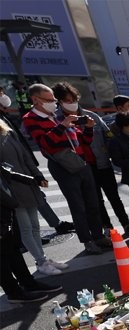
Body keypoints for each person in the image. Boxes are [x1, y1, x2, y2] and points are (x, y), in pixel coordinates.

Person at [22, 83, 109, 255]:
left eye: (54, 100)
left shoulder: (57, 115)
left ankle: (98, 236)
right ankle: (87, 241)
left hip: (80, 161)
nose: (53, 103)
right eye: (49, 100)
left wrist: (89, 129)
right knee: (78, 206)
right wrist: (62, 125)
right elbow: (46, 143)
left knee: (93, 203)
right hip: (62, 165)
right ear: (35, 100)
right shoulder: (30, 118)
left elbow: (82, 140)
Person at [53, 82, 129, 237]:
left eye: (74, 99)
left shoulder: (91, 116)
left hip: (102, 164)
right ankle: (107, 229)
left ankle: (127, 224)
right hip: (81, 167)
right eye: (67, 100)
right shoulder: (57, 120)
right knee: (95, 201)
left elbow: (108, 136)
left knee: (114, 197)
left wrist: (114, 153)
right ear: (59, 101)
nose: (72, 103)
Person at [0, 118, 68, 275]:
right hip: (11, 188)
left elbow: (26, 156)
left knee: (35, 225)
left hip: (27, 183)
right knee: (26, 228)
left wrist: (37, 175)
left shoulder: (8, 133)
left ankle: (43, 259)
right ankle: (41, 261)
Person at [1, 165, 62, 303]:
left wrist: (30, 179)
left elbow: (5, 172)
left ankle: (29, 284)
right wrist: (12, 202)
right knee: (2, 256)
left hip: (5, 211)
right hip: (4, 208)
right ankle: (14, 292)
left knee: (13, 249)